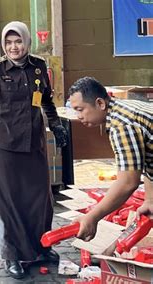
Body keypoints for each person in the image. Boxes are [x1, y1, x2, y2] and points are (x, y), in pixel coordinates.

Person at [0, 21, 68, 279]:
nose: (14, 47)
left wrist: (56, 126)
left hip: (34, 142)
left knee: (40, 200)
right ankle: (12, 256)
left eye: (18, 41)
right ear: (4, 44)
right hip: (6, 144)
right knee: (9, 203)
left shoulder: (38, 66)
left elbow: (46, 99)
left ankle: (42, 247)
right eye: (9, 42)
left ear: (27, 42)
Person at [68, 77, 152, 241]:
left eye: (80, 109)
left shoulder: (122, 125)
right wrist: (150, 200)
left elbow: (128, 182)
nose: (78, 116)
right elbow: (149, 160)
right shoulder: (121, 110)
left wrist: (92, 217)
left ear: (100, 104)